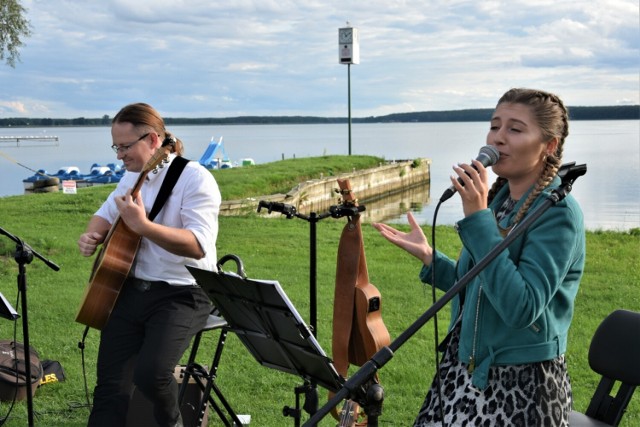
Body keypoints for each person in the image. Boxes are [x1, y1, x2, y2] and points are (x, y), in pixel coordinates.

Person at [373, 88, 585, 426]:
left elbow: (521, 307)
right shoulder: (500, 201)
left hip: (522, 387)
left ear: (549, 146)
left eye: (515, 130)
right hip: (466, 371)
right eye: (494, 126)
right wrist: (431, 258)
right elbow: (481, 284)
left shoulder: (558, 213)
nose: (498, 138)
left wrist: (476, 216)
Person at [77, 103, 221, 426]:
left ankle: (174, 422)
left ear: (153, 140)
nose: (119, 155)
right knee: (110, 387)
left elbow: (198, 245)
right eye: (116, 146)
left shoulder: (196, 179)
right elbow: (104, 215)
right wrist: (91, 235)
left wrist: (143, 226)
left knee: (151, 373)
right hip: (131, 289)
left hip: (184, 292)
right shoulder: (131, 178)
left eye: (125, 146)